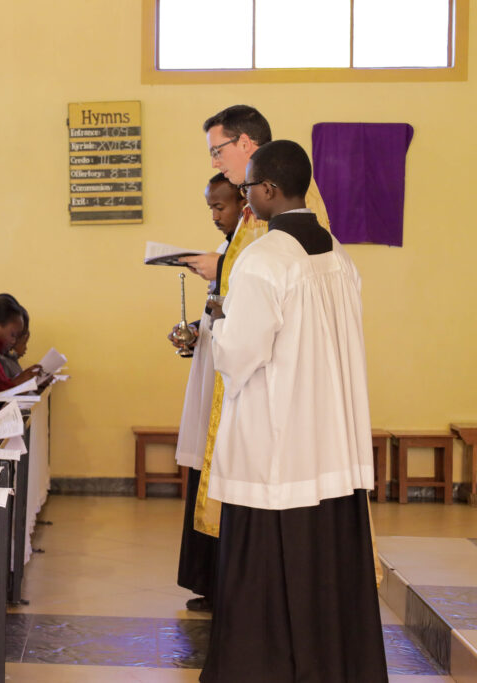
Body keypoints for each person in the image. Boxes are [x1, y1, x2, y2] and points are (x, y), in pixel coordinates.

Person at [199, 141, 385, 683]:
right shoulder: (336, 252)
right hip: (330, 445)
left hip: (277, 451)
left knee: (266, 575)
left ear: (270, 189)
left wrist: (216, 318)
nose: (246, 197)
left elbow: (240, 353)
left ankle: (264, 668)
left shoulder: (265, 257)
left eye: (249, 186)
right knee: (325, 573)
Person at [183, 105, 329, 540]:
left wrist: (222, 264)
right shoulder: (253, 198)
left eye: (217, 150)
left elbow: (274, 272)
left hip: (272, 366)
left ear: (245, 144)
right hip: (243, 340)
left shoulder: (281, 199)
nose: (214, 161)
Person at [172, 173, 244, 613]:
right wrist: (193, 332)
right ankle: (208, 581)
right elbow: (217, 315)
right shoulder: (224, 253)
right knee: (202, 475)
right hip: (210, 374)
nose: (215, 216)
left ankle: (227, 585)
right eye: (210, 208)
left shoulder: (249, 255)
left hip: (232, 386)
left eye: (221, 207)